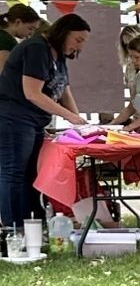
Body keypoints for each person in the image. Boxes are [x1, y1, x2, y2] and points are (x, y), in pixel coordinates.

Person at [0, 14, 90, 226]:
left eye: (84, 42)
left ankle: (32, 226)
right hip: (14, 118)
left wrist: (81, 123)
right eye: (78, 40)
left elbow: (64, 90)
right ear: (63, 32)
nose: (80, 47)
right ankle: (13, 230)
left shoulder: (58, 55)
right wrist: (69, 117)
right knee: (14, 173)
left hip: (33, 122)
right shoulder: (36, 48)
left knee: (31, 174)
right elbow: (32, 93)